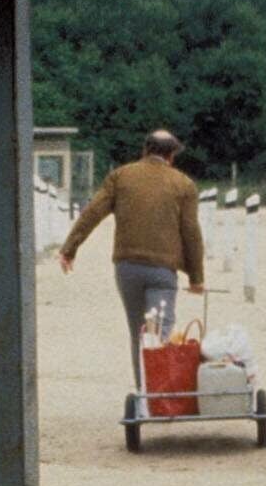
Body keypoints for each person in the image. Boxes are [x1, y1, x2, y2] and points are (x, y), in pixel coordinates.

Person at [57, 128, 206, 386]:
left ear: (145, 150)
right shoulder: (184, 184)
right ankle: (157, 394)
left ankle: (143, 393)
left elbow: (92, 213)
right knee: (159, 331)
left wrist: (69, 249)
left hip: (127, 267)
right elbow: (191, 232)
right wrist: (196, 278)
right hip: (163, 269)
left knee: (139, 333)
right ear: (171, 155)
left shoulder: (121, 176)